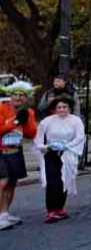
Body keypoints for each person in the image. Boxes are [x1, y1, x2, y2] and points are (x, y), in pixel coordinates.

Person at [34, 97, 85, 223]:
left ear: (69, 108)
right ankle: (51, 210)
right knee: (52, 181)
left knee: (65, 179)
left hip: (67, 153)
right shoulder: (47, 121)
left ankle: (60, 208)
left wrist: (67, 146)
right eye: (59, 107)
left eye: (65, 107)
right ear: (54, 109)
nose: (62, 110)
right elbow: (38, 137)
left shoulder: (76, 121)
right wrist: (43, 147)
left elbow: (79, 137)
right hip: (51, 153)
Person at [0, 83, 38, 229]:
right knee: (3, 182)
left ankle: (4, 214)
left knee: (11, 184)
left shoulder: (28, 111)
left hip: (15, 149)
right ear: (10, 96)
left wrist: (26, 120)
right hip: (1, 150)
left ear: (26, 98)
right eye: (15, 94)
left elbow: (31, 134)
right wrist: (15, 122)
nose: (18, 97)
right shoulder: (2, 108)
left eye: (21, 95)